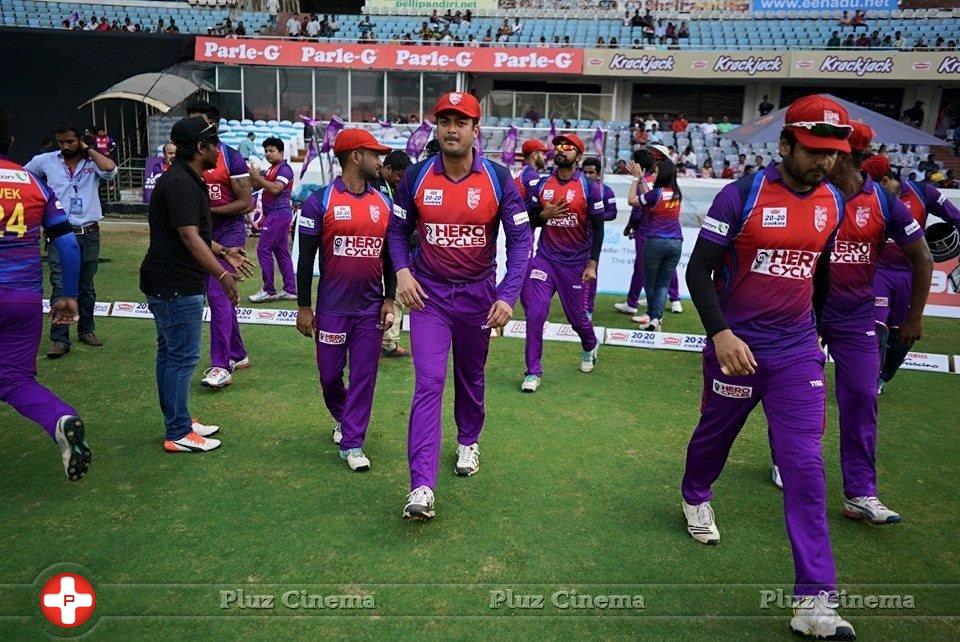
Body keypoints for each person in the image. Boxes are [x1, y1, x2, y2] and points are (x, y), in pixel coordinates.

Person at [680, 95, 855, 639]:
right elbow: (698, 271)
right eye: (813, 151)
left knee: (804, 463)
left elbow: (819, 270)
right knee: (716, 435)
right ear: (786, 146)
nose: (825, 162)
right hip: (737, 346)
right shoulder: (742, 195)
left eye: (832, 153)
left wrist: (819, 330)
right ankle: (695, 494)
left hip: (798, 350)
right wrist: (722, 333)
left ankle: (814, 601)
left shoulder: (833, 201)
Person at [767, 124, 932, 528]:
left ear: (845, 156)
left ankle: (861, 493)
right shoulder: (809, 193)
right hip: (804, 314)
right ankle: (783, 458)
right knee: (794, 395)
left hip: (856, 316)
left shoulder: (883, 200)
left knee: (861, 395)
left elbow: (923, 258)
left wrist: (913, 317)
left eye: (830, 151)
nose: (820, 158)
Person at [388, 91, 532, 519]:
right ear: (437, 126)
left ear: (475, 129)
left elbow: (522, 240)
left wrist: (507, 295)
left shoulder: (499, 178)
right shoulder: (414, 177)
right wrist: (402, 271)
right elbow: (397, 233)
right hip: (429, 296)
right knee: (428, 383)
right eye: (445, 120)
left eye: (461, 121)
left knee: (470, 377)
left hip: (477, 296)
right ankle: (421, 487)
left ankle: (468, 440)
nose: (452, 128)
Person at [140, 116, 253, 453]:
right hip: (175, 284)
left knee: (170, 355)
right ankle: (177, 432)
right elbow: (189, 238)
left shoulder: (186, 179)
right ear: (200, 148)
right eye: (214, 144)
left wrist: (223, 252)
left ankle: (180, 420)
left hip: (170, 281)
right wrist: (221, 274)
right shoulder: (181, 183)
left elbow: (197, 235)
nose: (220, 150)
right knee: (181, 358)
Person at [295, 129, 396, 472]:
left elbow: (391, 258)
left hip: (370, 311)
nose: (380, 162)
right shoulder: (319, 201)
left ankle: (353, 442)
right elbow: (305, 258)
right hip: (332, 309)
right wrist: (304, 307)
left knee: (365, 376)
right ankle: (344, 417)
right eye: (374, 155)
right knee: (329, 375)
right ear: (355, 157)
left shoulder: (384, 203)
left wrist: (389, 299)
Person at [0, 108, 92, 480]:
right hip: (22, 299)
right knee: (15, 380)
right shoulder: (32, 182)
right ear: (9, 141)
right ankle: (59, 418)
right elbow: (68, 244)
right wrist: (68, 295)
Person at [864, 153, 960, 392]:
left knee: (904, 334)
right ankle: (869, 378)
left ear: (885, 181)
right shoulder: (870, 195)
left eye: (873, 183)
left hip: (911, 274)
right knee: (874, 325)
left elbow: (956, 217)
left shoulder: (923, 192)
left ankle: (884, 376)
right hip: (879, 272)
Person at [25, 119, 117, 359]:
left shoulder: (92, 160)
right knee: (60, 285)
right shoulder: (44, 161)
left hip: (89, 232)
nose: (65, 146)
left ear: (80, 139)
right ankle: (59, 338)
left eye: (70, 141)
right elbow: (26, 179)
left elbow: (110, 169)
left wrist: (89, 150)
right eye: (61, 142)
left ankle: (87, 329)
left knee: (86, 287)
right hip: (58, 234)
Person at [520, 133, 604, 392]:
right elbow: (529, 220)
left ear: (578, 157)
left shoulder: (590, 188)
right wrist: (543, 215)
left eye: (567, 147)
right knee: (536, 313)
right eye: (557, 146)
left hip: (575, 264)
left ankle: (590, 344)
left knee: (577, 318)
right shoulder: (542, 185)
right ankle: (533, 372)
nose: (560, 149)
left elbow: (598, 230)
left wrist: (592, 264)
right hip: (545, 259)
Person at [185, 101, 253, 390]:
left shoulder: (230, 157)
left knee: (217, 293)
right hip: (198, 235)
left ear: (211, 124)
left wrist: (205, 212)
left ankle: (221, 365)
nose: (189, 127)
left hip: (229, 233)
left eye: (195, 121)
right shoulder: (186, 159)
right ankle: (238, 353)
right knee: (218, 295)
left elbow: (245, 202)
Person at [631, 158, 683, 331]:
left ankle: (653, 318)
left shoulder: (656, 193)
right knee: (663, 283)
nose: (653, 174)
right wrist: (641, 180)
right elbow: (650, 198)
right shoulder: (677, 192)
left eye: (656, 171)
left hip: (655, 241)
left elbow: (633, 200)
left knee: (651, 283)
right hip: (676, 242)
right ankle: (655, 320)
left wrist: (634, 180)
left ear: (663, 173)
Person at [248, 137, 297, 304]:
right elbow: (256, 186)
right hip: (275, 214)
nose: (268, 154)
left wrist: (257, 176)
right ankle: (290, 289)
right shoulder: (270, 169)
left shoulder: (284, 169)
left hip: (278, 213)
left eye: (271, 151)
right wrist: (253, 174)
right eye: (266, 151)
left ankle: (269, 290)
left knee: (263, 249)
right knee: (281, 251)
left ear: (281, 152)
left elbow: (275, 188)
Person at [374, 150, 413, 358]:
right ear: (387, 169)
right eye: (398, 175)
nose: (401, 181)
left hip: (392, 249)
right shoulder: (372, 184)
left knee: (396, 295)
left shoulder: (397, 187)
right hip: (374, 250)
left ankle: (388, 341)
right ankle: (382, 341)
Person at [581, 156, 618, 318]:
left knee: (590, 271)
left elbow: (613, 213)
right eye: (585, 172)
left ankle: (588, 308)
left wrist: (596, 216)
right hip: (574, 237)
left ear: (598, 174)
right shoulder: (577, 190)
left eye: (591, 172)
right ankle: (575, 306)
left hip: (593, 237)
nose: (588, 176)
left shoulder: (606, 191)